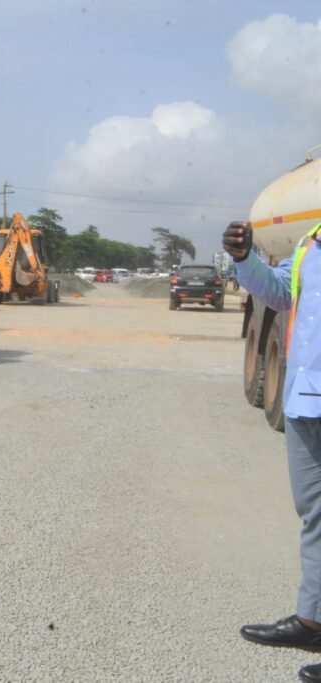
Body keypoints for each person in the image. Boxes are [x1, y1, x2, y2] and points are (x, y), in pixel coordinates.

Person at [223, 220, 321, 683]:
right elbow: (283, 295)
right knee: (314, 514)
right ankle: (312, 619)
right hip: (306, 397)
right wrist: (246, 261)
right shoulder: (311, 239)